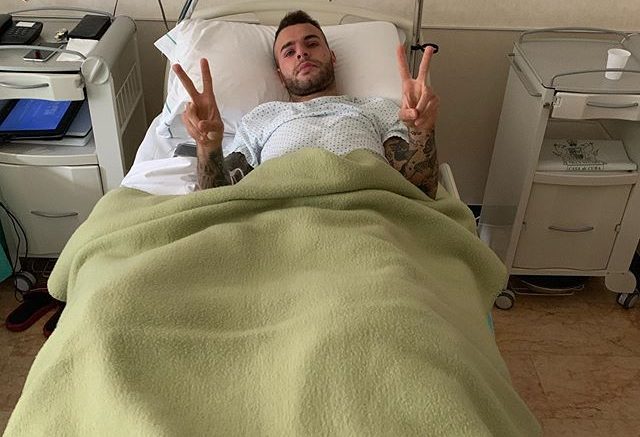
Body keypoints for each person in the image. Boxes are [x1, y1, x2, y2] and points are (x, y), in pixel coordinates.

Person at [172, 10, 440, 198]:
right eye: (289, 52)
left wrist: (422, 132)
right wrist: (208, 148)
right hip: (277, 217)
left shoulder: (376, 108)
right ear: (279, 74)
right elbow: (218, 198)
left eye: (311, 43)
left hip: (365, 211)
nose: (301, 52)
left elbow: (419, 190)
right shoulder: (261, 117)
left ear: (332, 56)